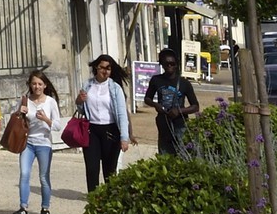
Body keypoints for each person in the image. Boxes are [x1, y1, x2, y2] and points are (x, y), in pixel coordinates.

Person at [75, 53, 132, 190]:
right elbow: (82, 109)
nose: (105, 71)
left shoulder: (115, 88)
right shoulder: (87, 85)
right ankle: (93, 202)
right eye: (102, 67)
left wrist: (124, 137)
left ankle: (109, 202)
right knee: (92, 169)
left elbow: (121, 113)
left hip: (110, 130)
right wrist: (79, 101)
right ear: (96, 67)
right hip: (92, 130)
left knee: (109, 171)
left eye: (108, 68)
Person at [12, 69, 60, 214]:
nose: (37, 87)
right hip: (28, 142)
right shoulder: (25, 100)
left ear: (45, 85)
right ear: (30, 85)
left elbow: (58, 125)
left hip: (44, 143)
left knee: (43, 177)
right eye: (34, 84)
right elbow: (13, 119)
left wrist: (46, 119)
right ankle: (23, 207)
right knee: (24, 173)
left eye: (40, 84)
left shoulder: (50, 102)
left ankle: (45, 208)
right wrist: (20, 112)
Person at [143, 49, 200, 155]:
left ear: (177, 65)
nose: (169, 66)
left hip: (180, 125)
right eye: (166, 64)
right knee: (164, 154)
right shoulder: (156, 80)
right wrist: (156, 105)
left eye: (172, 64)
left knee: (182, 154)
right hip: (164, 124)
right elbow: (147, 98)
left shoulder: (184, 83)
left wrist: (179, 111)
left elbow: (195, 106)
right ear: (162, 64)